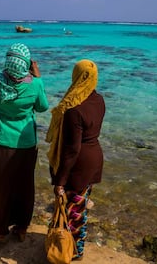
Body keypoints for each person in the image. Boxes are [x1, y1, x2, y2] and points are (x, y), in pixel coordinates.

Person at [0, 43, 49, 243]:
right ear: (26, 64)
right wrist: (38, 77)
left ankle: (0, 231)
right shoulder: (35, 84)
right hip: (25, 143)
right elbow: (43, 107)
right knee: (24, 186)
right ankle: (21, 228)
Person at [46, 59, 105, 261]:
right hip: (94, 159)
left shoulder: (73, 108)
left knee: (71, 211)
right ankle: (77, 249)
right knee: (80, 209)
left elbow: (72, 150)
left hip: (78, 165)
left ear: (76, 76)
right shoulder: (99, 100)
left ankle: (69, 252)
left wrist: (60, 181)